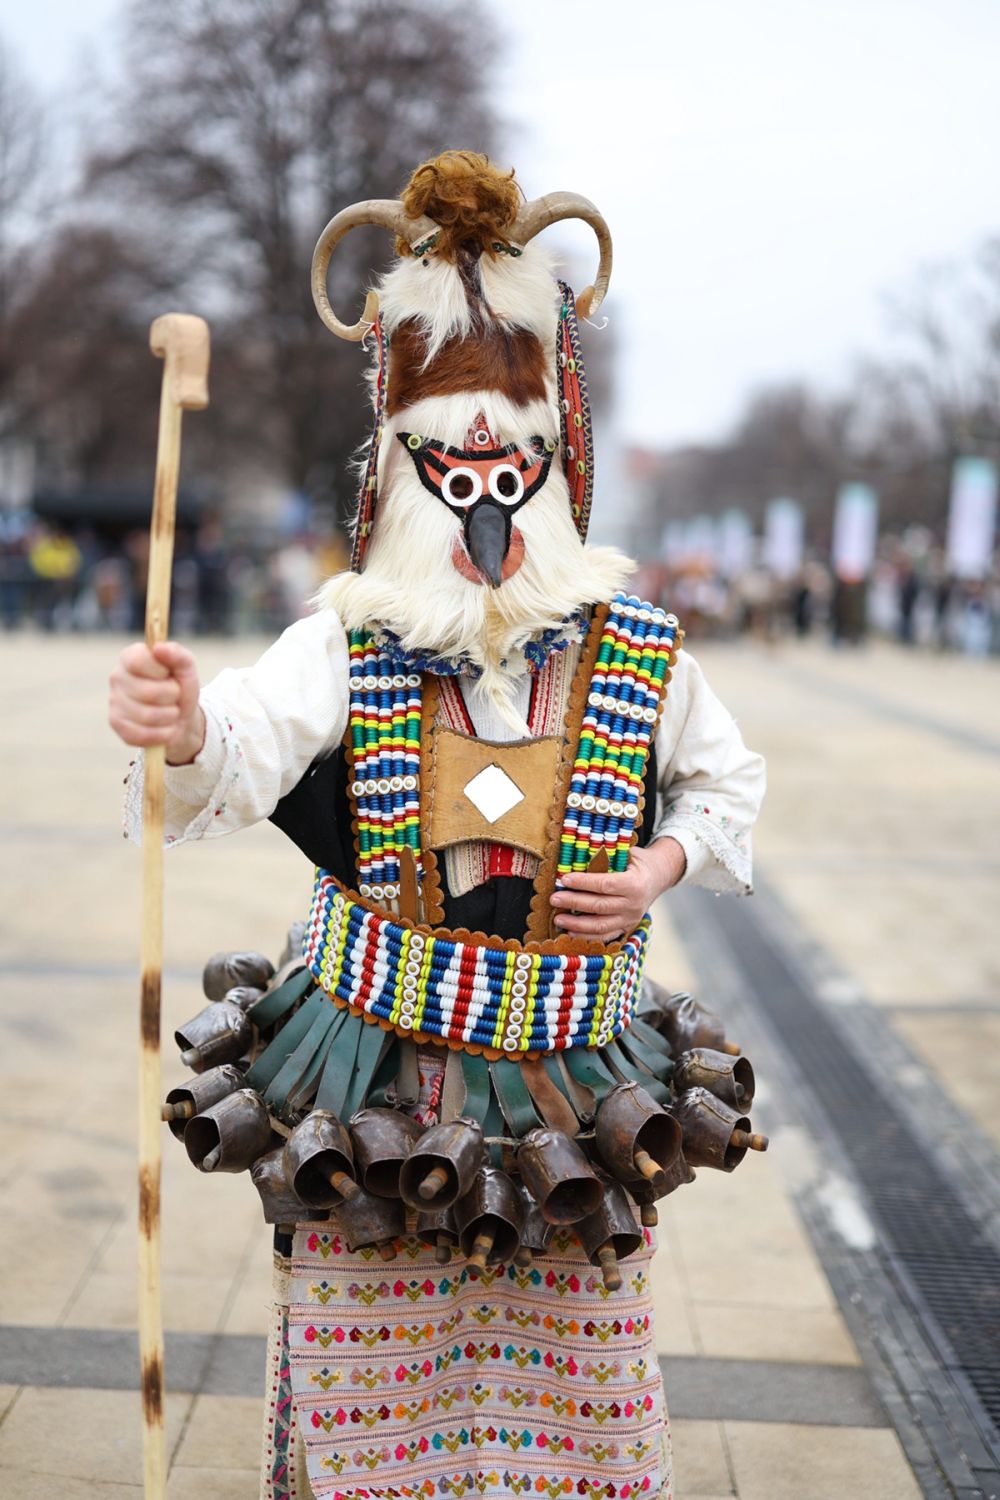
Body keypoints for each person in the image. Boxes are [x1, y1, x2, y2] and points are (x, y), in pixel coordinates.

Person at [110, 151, 765, 1500]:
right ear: (400, 465)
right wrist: (178, 725)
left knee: (574, 1390)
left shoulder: (638, 649)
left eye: (511, 455)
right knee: (371, 1387)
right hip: (372, 1082)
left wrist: (657, 863)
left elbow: (723, 784)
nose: (483, 486)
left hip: (579, 1080)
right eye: (449, 455)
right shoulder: (348, 641)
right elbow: (233, 748)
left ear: (555, 456)